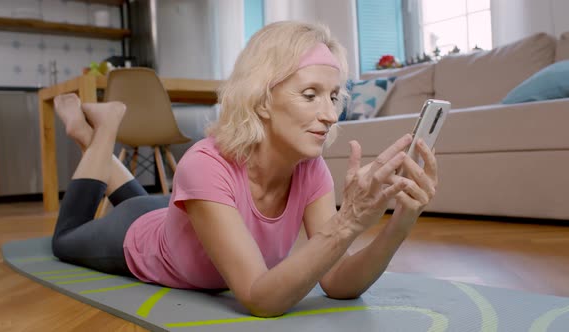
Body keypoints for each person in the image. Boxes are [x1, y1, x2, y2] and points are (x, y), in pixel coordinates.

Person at [51, 21, 438, 318]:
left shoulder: (311, 170)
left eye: (334, 96)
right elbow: (259, 298)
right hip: (140, 232)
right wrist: (348, 221)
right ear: (262, 100)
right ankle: (100, 132)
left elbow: (337, 283)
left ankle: (93, 139)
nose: (329, 115)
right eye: (310, 95)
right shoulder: (203, 164)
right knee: (65, 240)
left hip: (186, 214)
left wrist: (399, 224)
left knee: (166, 209)